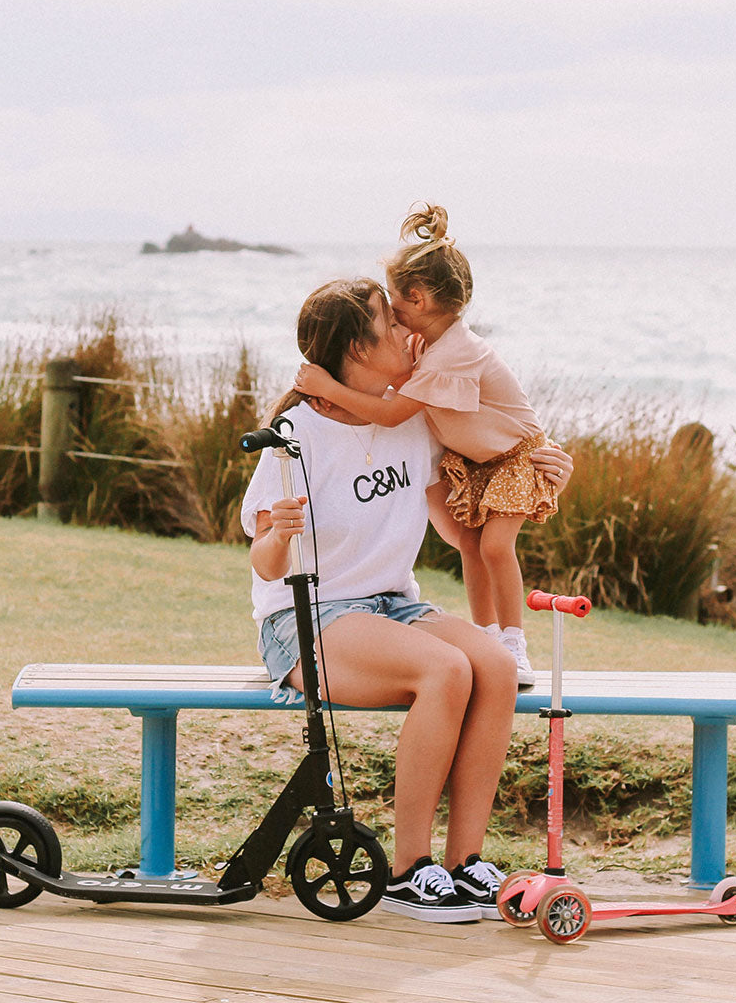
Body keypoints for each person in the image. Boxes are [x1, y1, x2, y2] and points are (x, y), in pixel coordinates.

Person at [242, 277, 572, 923]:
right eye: (387, 324)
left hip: (393, 607)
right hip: (307, 619)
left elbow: (458, 532)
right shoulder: (297, 431)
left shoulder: (413, 422)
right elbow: (262, 560)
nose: (405, 330)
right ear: (355, 351)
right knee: (444, 669)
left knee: (497, 668)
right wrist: (278, 535)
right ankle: (406, 870)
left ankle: (464, 861)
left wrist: (535, 486)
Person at [294, 204, 557, 688]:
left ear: (416, 298)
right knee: (473, 548)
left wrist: (329, 389)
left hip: (514, 459)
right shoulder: (428, 347)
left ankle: (514, 643)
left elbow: (394, 412)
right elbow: (398, 400)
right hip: (478, 464)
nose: (392, 316)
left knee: (496, 547)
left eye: (394, 305)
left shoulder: (455, 351)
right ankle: (490, 633)